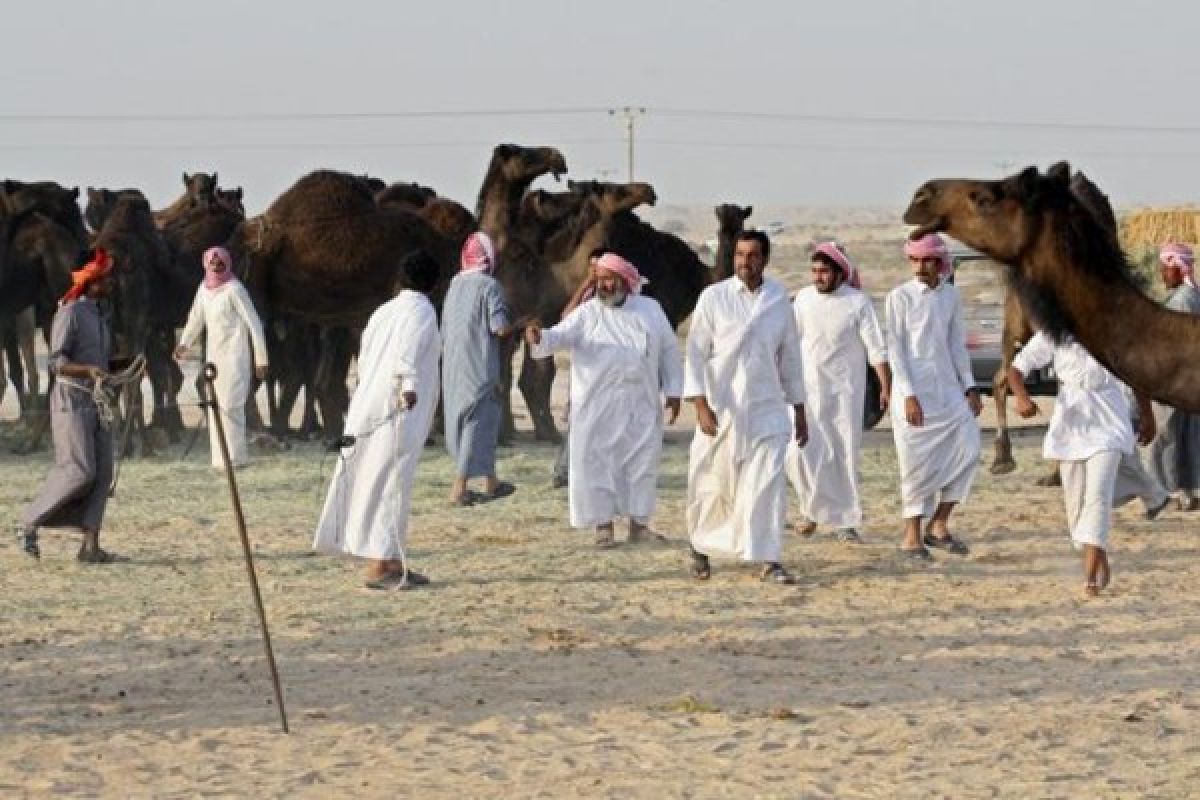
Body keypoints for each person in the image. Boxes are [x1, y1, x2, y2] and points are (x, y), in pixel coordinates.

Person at [526, 252, 682, 547]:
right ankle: (603, 527)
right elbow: (557, 336)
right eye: (599, 280)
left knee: (641, 465)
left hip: (641, 403)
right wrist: (539, 338)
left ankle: (639, 526)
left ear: (625, 281)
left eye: (609, 279)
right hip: (597, 406)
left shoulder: (650, 310)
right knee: (598, 465)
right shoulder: (587, 313)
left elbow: (669, 350)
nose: (603, 286)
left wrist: (673, 390)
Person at [312, 252, 443, 590]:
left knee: (383, 480)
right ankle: (378, 567)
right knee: (390, 484)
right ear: (434, 284)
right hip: (397, 408)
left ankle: (394, 560)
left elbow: (367, 356)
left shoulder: (384, 311)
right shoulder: (422, 312)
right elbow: (407, 355)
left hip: (371, 403)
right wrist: (409, 387)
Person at [685, 230, 807, 585]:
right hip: (722, 409)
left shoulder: (778, 299)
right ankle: (700, 547)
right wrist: (700, 404)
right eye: (740, 255)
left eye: (753, 255)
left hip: (767, 409)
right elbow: (695, 352)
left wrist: (799, 409)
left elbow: (790, 358)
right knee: (713, 483)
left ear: (765, 259)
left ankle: (768, 559)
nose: (745, 262)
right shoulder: (714, 298)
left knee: (767, 484)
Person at [1009, 331, 1158, 596]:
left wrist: (1147, 414)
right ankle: (1098, 554)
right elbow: (1017, 368)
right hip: (1071, 423)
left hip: (1109, 420)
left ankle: (1090, 578)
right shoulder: (1053, 332)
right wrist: (1021, 397)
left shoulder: (1111, 327)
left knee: (1097, 496)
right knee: (1076, 509)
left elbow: (1136, 373)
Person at [886, 233, 982, 562]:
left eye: (927, 260)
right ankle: (911, 536)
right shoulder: (899, 297)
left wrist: (970, 386)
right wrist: (908, 396)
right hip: (912, 395)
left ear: (939, 262)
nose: (921, 266)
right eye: (915, 260)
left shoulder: (951, 297)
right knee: (915, 466)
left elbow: (956, 344)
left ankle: (939, 524)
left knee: (968, 449)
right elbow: (895, 351)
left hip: (947, 391)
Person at [21, 249, 121, 563]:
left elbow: (100, 363)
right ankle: (30, 521)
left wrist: (127, 364)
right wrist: (89, 372)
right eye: (106, 278)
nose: (111, 282)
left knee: (104, 473)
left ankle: (90, 545)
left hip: (97, 400)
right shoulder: (69, 313)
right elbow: (57, 362)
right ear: (91, 282)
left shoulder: (100, 315)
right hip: (71, 399)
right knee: (80, 471)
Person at [787, 242, 891, 543]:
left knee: (842, 453)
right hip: (807, 391)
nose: (818, 277)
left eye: (824, 271)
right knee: (798, 454)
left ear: (839, 273)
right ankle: (811, 510)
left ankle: (845, 521)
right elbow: (790, 343)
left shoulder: (857, 302)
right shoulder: (803, 300)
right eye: (815, 271)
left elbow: (876, 348)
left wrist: (885, 385)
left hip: (845, 392)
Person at [441, 231, 518, 507]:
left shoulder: (454, 285)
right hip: (480, 364)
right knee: (478, 421)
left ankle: (491, 482)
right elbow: (498, 328)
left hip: (453, 365)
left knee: (471, 421)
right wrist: (519, 324)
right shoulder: (490, 286)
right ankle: (459, 488)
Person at [175, 246, 269, 469]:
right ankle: (219, 460)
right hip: (213, 358)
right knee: (215, 406)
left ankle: (236, 459)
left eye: (220, 263)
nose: (216, 267)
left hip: (236, 356)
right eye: (212, 263)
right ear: (205, 264)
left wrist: (261, 359)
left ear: (228, 264)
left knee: (232, 405)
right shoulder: (204, 289)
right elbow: (195, 318)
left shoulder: (235, 290)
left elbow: (254, 323)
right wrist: (184, 344)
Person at [1146, 243, 1200, 512]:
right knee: (1185, 435)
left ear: (1179, 269)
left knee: (1164, 434)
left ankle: (1164, 490)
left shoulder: (1183, 300)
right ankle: (1186, 492)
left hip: (1176, 378)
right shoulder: (1191, 296)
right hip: (1189, 379)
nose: (1162, 275)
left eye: (1166, 269)